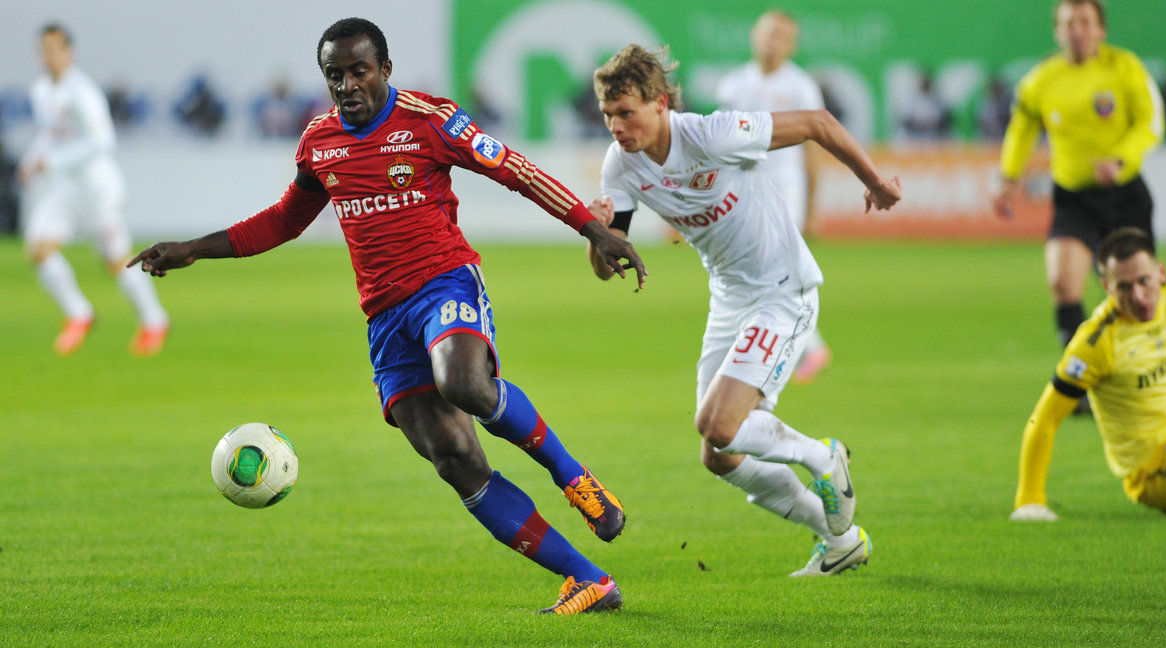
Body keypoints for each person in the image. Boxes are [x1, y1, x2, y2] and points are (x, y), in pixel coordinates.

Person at [129, 18, 646, 615]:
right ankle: (588, 580)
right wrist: (194, 248)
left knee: (463, 382)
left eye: (359, 71)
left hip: (444, 282)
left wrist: (591, 228)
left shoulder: (430, 120)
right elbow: (283, 221)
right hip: (384, 317)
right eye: (335, 75)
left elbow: (517, 171)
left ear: (385, 70)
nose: (347, 85)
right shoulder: (319, 142)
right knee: (455, 460)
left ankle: (575, 479)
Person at [587, 44, 901, 576]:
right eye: (607, 114)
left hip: (783, 290)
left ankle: (823, 457)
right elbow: (606, 265)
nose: (616, 126)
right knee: (719, 453)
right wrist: (595, 233)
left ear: (660, 104)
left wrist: (873, 182)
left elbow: (819, 122)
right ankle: (840, 540)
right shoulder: (620, 165)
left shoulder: (713, 134)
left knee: (717, 423)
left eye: (626, 112)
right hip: (730, 298)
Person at [993, 0, 1165, 410]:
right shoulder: (1042, 80)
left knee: (1138, 293)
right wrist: (1008, 179)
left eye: (1085, 21)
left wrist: (1120, 159)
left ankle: (1152, 372)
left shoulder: (1124, 68)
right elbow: (1021, 129)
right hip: (1073, 199)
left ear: (1101, 29)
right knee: (1061, 282)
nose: (1077, 30)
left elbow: (1150, 123)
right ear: (1057, 31)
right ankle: (1081, 385)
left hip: (1124, 195)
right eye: (1069, 23)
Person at [18, 23, 169, 356]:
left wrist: (52, 162)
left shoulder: (83, 92)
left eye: (55, 49)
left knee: (116, 261)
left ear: (68, 52)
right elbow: (49, 134)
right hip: (65, 189)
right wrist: (30, 161)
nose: (49, 56)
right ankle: (79, 314)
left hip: (96, 190)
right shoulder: (41, 91)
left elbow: (103, 141)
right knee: (38, 248)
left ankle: (155, 320)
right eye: (44, 49)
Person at [1012, 227, 1166, 521]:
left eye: (1144, 281)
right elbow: (1045, 418)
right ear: (1106, 286)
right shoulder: (1097, 343)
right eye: (1124, 287)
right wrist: (1030, 500)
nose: (1139, 297)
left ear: (1161, 273)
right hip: (1152, 471)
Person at [715, 9, 831, 384]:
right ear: (755, 36)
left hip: (785, 188)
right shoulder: (733, 85)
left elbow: (813, 148)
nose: (772, 42)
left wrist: (812, 207)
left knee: (776, 268)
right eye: (768, 33)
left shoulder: (801, 86)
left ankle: (803, 346)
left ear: (791, 45)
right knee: (756, 270)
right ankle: (798, 344)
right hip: (743, 190)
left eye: (781, 36)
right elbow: (720, 145)